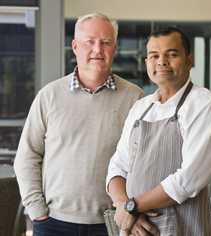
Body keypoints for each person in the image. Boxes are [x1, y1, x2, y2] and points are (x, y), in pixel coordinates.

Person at [14, 13, 143, 236]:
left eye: (105, 42)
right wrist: (37, 211)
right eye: (89, 42)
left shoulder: (136, 98)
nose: (97, 50)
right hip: (53, 222)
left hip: (114, 223)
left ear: (115, 47)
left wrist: (132, 210)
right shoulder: (49, 96)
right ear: (75, 46)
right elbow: (27, 156)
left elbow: (146, 162)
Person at [106, 27, 211, 235]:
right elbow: (117, 167)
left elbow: (189, 179)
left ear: (190, 59)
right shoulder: (141, 107)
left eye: (171, 54)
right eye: (154, 55)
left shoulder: (206, 106)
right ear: (146, 62)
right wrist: (123, 207)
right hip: (135, 229)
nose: (161, 61)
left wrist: (133, 207)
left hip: (184, 229)